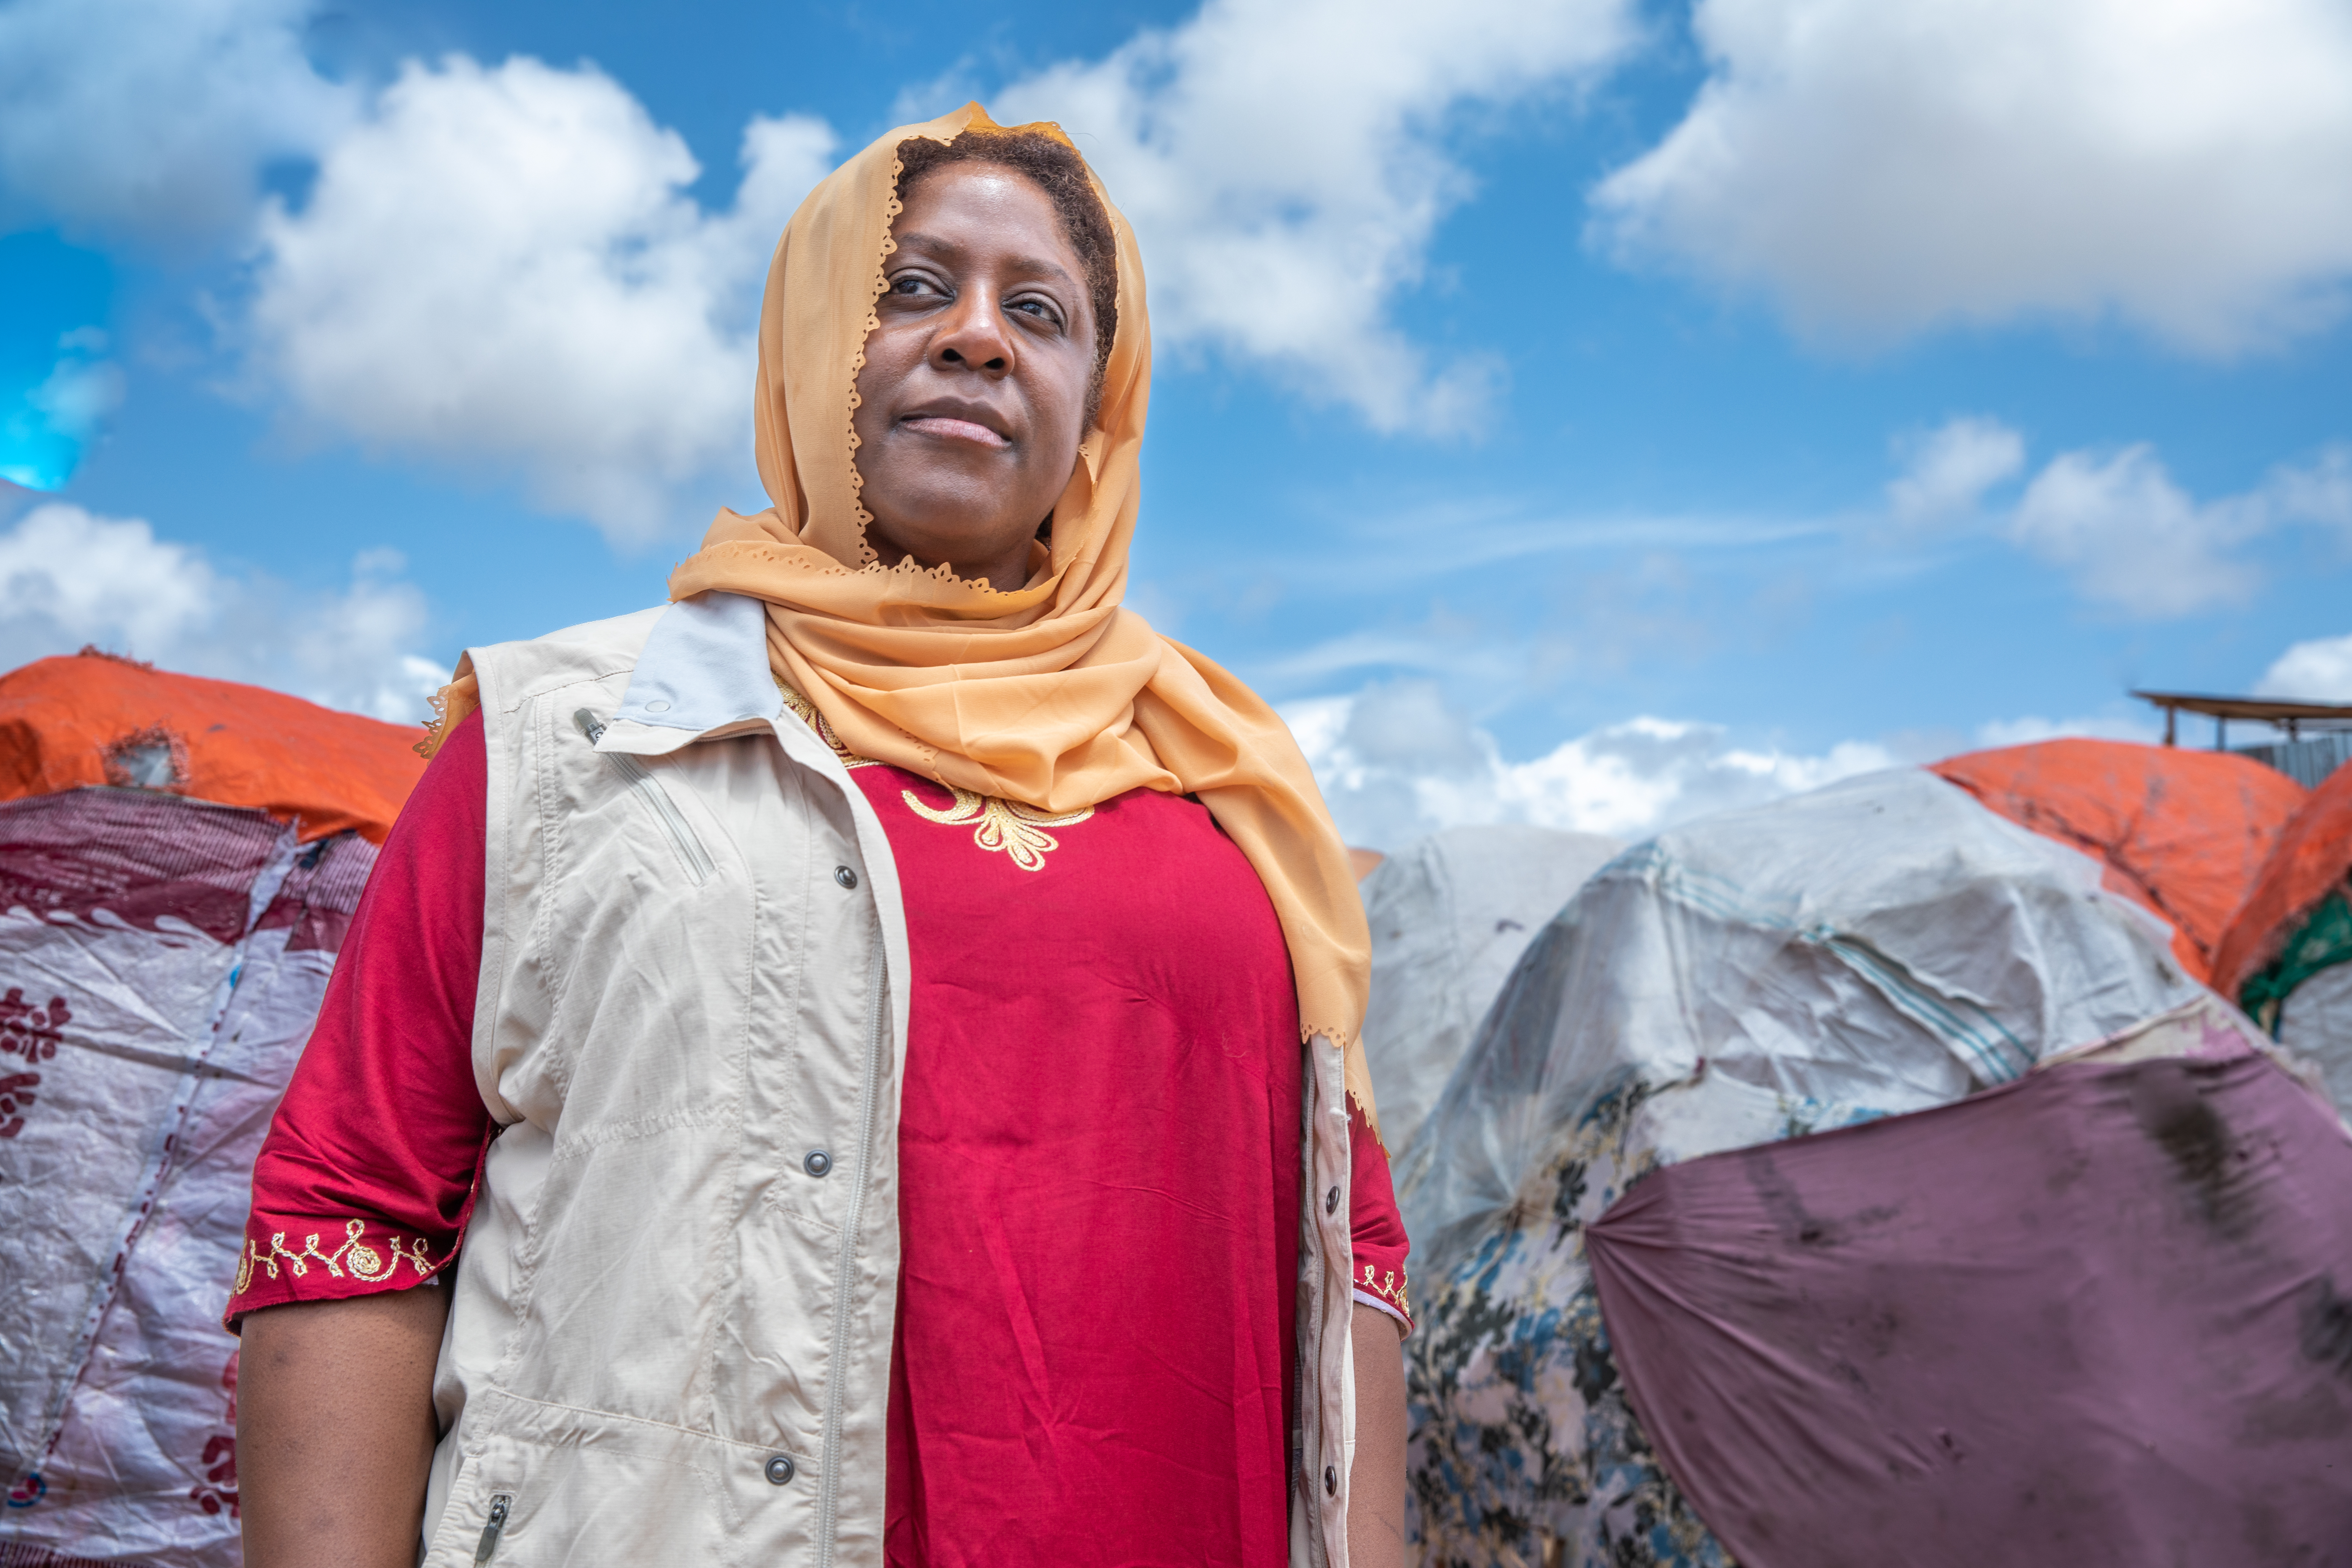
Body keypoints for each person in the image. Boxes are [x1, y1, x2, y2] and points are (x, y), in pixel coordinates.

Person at [228, 104, 1410, 1568]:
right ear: (809, 342)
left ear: (1100, 398)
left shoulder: (1240, 799)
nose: (978, 336)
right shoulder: (563, 738)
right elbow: (355, 1211)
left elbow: (1350, 1251)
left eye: (1038, 311)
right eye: (912, 287)